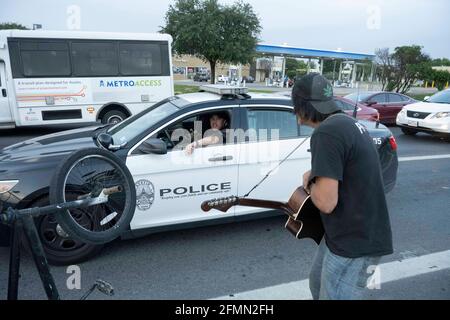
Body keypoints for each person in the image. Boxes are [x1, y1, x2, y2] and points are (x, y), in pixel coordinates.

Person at [291, 73, 393, 300]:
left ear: (300, 107)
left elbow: (326, 203)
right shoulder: (347, 123)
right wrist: (315, 175)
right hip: (347, 233)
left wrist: (309, 182)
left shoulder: (326, 133)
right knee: (317, 284)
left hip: (354, 242)